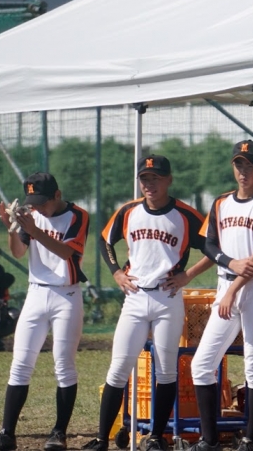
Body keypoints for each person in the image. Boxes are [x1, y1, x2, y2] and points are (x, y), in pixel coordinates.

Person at [83, 154, 212, 451]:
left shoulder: (185, 214)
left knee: (166, 371)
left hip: (168, 297)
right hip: (135, 297)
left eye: (156, 178)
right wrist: (116, 272)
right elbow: (104, 240)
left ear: (169, 180)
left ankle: (155, 436)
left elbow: (213, 248)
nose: (149, 184)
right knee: (118, 369)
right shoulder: (129, 211)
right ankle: (101, 439)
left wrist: (187, 275)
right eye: (144, 178)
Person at [0, 172, 89, 451]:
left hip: (66, 295)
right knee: (20, 364)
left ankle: (59, 433)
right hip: (36, 292)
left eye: (42, 201)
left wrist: (35, 231)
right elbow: (18, 251)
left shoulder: (77, 216)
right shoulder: (32, 216)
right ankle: (6, 434)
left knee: (63, 365)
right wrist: (11, 229)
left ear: (57, 195)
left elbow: (67, 253)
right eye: (32, 201)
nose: (37, 207)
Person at [191, 140, 253, 451]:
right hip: (226, 283)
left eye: (250, 165)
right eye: (239, 164)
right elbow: (209, 245)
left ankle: (250, 439)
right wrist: (229, 266)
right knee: (202, 364)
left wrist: (231, 290)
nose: (244, 170)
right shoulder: (220, 203)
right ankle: (209, 439)